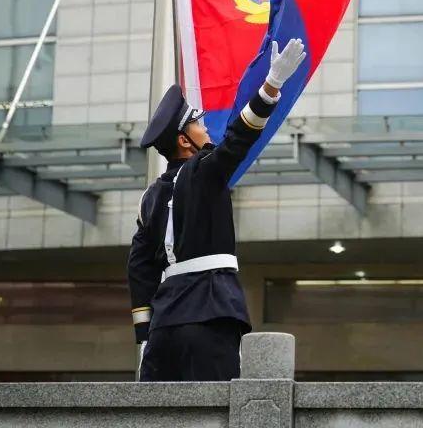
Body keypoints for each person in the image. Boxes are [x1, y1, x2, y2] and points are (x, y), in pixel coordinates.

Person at [128, 37, 306, 381]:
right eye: (197, 123)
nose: (205, 127)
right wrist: (272, 86)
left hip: (164, 323)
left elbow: (138, 270)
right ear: (184, 140)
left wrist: (145, 335)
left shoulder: (149, 197)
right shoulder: (203, 171)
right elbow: (240, 137)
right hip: (211, 310)